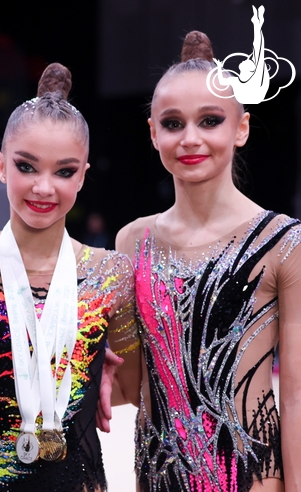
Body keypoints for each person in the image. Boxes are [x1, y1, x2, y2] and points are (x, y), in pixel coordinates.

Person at [116, 31, 301, 492]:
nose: (190, 138)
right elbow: (131, 386)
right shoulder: (132, 242)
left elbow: (296, 395)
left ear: (241, 128)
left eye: (210, 120)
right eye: (174, 123)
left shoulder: (284, 242)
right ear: (153, 132)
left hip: (253, 479)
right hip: (159, 477)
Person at [0, 63, 141, 492]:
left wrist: (81, 376)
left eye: (64, 171)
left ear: (84, 176)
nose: (43, 187)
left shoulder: (110, 273)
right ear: (1, 166)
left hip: (80, 480)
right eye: (27, 167)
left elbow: (130, 386)